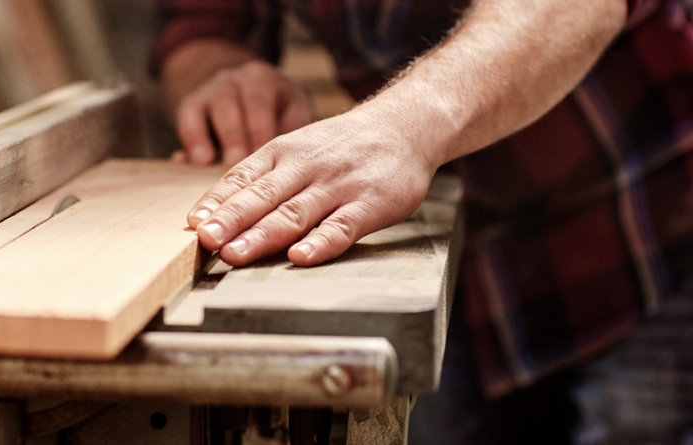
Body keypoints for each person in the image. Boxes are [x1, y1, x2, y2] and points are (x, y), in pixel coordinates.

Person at [150, 0, 693, 443]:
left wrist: (406, 127)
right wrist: (220, 74)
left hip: (642, 221)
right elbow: (200, 22)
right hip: (447, 248)